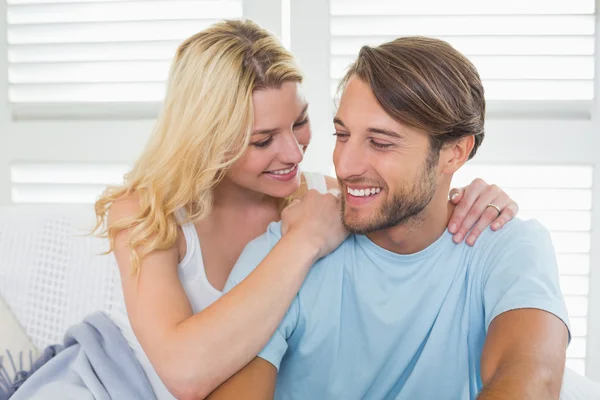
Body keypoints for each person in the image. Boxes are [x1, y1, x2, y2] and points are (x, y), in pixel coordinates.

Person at [5, 21, 516, 400]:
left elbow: (407, 195)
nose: (294, 153)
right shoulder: (147, 212)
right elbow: (182, 372)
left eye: (301, 123)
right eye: (262, 140)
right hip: (113, 382)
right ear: (207, 140)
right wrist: (302, 242)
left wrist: (475, 195)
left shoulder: (326, 197)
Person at [207, 36, 570, 399]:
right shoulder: (281, 253)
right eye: (342, 135)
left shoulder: (507, 248)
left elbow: (532, 380)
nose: (345, 166)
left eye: (380, 143)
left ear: (454, 153)